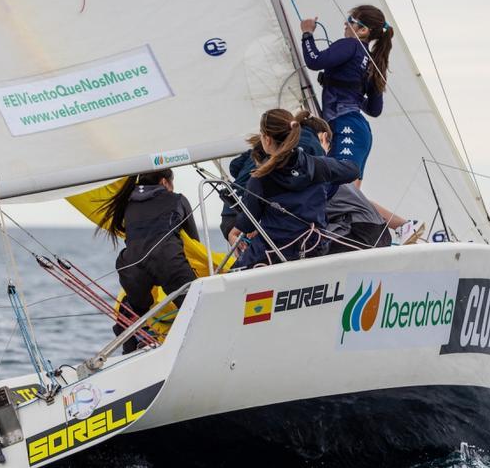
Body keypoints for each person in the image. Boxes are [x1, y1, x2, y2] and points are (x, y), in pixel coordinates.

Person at [300, 5, 424, 245]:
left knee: (340, 190)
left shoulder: (350, 45)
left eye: (351, 20)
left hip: (345, 127)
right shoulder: (371, 59)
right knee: (347, 195)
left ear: (363, 30)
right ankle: (365, 236)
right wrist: (346, 87)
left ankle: (404, 226)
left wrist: (307, 33)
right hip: (357, 129)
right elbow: (374, 108)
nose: (346, 24)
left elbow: (314, 60)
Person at [227, 109, 358, 267]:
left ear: (267, 139)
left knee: (230, 273)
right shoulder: (318, 165)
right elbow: (352, 171)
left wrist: (234, 232)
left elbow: (248, 222)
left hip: (274, 254)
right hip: (313, 249)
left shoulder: (260, 179)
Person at [96, 169, 198, 354]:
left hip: (132, 265)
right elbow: (194, 243)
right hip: (168, 260)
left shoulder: (126, 202)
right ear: (164, 182)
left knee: (135, 308)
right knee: (195, 305)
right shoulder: (177, 199)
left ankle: (134, 348)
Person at [219, 111, 330, 240]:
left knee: (250, 258)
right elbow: (321, 187)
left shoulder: (265, 145)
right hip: (251, 217)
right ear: (324, 137)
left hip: (230, 212)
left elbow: (234, 166)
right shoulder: (311, 145)